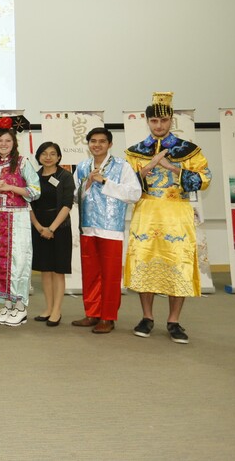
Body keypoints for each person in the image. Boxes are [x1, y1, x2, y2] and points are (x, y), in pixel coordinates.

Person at [124, 92, 211, 344]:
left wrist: (173, 168)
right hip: (147, 212)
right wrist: (150, 165)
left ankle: (174, 320)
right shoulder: (136, 151)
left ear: (171, 120)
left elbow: (204, 179)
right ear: (147, 121)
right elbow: (127, 185)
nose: (158, 126)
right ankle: (147, 317)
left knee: (178, 264)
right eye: (153, 121)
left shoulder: (189, 151)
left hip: (176, 212)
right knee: (144, 262)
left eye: (163, 121)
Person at [72, 128, 141, 334]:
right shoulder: (83, 166)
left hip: (111, 228)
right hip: (88, 227)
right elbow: (74, 196)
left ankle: (108, 317)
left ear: (110, 144)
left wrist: (105, 182)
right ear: (88, 144)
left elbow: (135, 193)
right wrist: (87, 182)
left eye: (102, 141)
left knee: (110, 275)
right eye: (93, 141)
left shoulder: (122, 166)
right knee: (90, 273)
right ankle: (92, 313)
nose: (97, 145)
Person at [0, 116, 41, 327]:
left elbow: (35, 191)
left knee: (18, 261)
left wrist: (11, 188)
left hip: (18, 218)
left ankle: (21, 306)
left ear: (14, 143)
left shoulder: (23, 163)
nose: (3, 144)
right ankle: (7, 303)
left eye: (7, 141)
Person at [29, 142, 75, 327]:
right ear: (38, 156)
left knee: (58, 271)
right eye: (44, 153)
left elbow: (67, 204)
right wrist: (39, 227)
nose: (48, 157)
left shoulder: (65, 176)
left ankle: (57, 310)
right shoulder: (34, 176)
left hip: (60, 228)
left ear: (58, 157)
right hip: (39, 227)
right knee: (45, 270)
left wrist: (51, 228)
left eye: (52, 153)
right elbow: (28, 203)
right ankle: (48, 308)